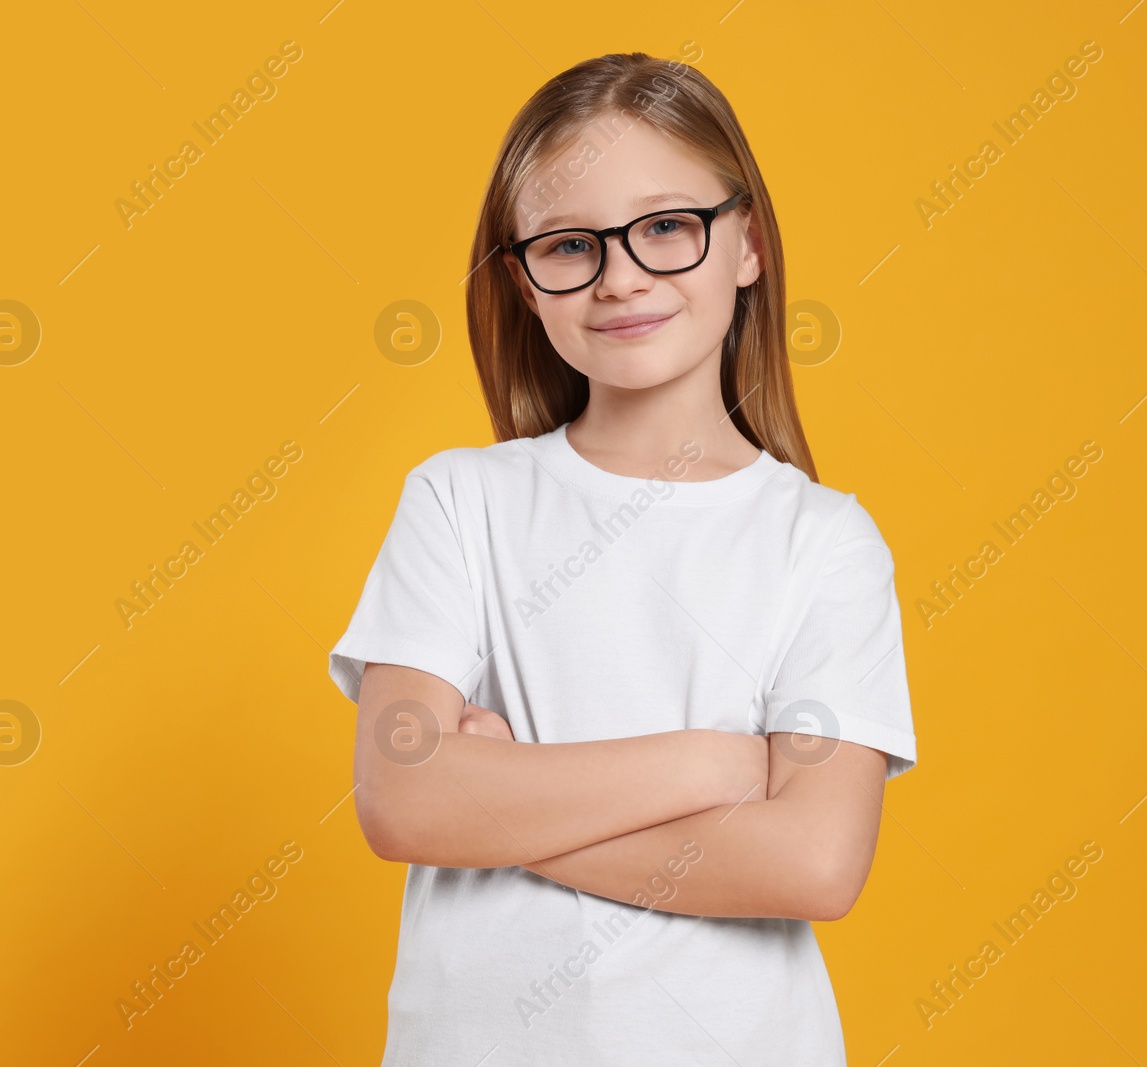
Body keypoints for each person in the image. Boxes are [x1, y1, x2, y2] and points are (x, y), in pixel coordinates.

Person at [328, 51, 917, 1067]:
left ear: (748, 244)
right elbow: (402, 798)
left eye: (664, 228)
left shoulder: (822, 542)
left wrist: (500, 798)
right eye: (569, 245)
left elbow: (813, 863)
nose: (621, 276)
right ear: (524, 281)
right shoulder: (459, 499)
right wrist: (713, 763)